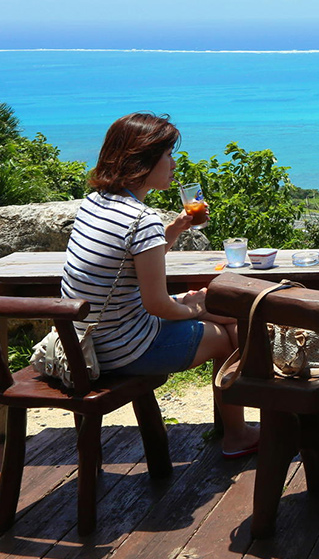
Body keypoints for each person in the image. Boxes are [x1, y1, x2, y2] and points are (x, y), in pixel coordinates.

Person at [61, 112, 259, 458]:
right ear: (143, 161)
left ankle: (242, 425)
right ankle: (241, 431)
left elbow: (133, 263)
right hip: (123, 349)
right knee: (228, 331)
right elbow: (157, 305)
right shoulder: (141, 219)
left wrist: (178, 227)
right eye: (167, 155)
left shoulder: (95, 203)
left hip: (87, 343)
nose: (173, 164)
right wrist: (194, 307)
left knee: (223, 310)